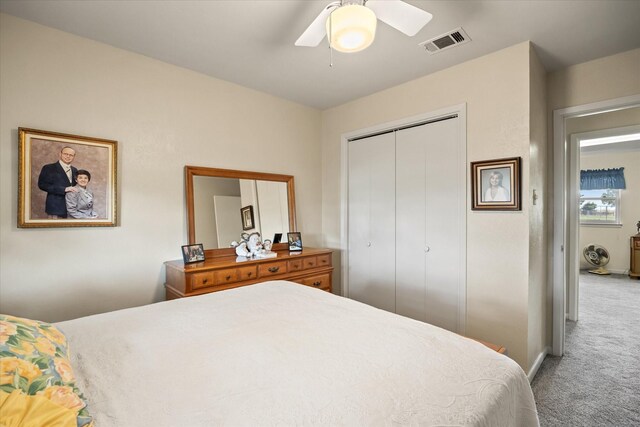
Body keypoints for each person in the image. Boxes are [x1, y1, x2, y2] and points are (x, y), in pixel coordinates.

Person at [38, 146, 78, 218]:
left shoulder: (75, 170)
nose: (68, 156)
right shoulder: (49, 168)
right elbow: (42, 185)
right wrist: (64, 189)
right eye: (66, 154)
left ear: (74, 157)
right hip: (56, 208)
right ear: (60, 154)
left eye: (71, 155)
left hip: (72, 208)